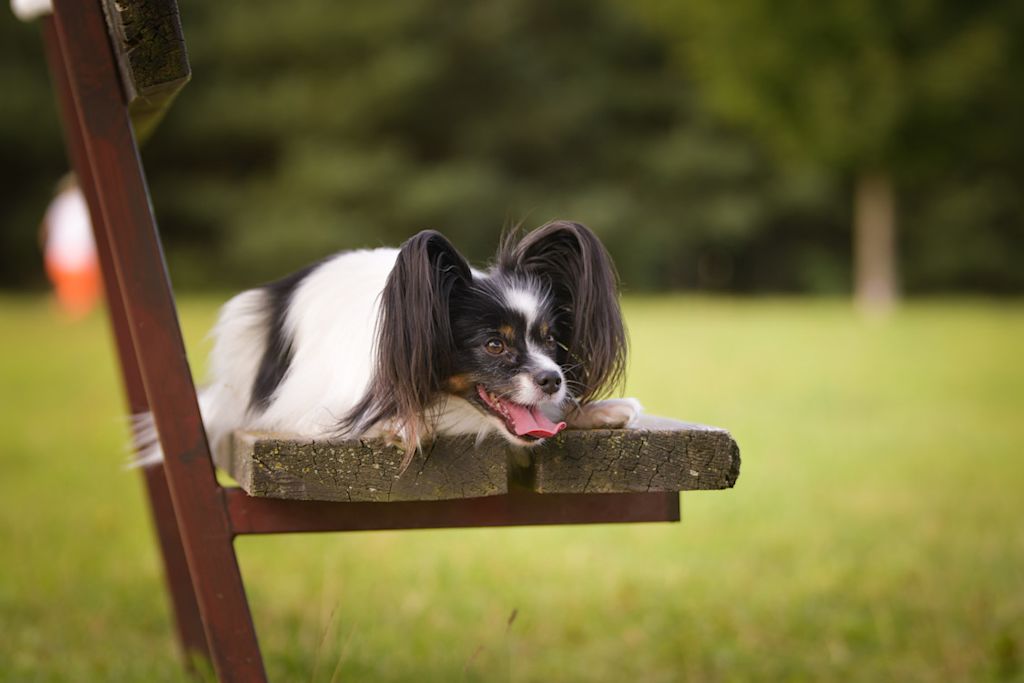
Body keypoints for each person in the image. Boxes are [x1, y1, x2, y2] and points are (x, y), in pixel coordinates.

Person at [41, 175, 101, 319]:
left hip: (57, 256)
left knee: (74, 294)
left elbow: (44, 230)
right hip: (80, 256)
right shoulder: (85, 202)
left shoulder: (59, 203)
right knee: (79, 296)